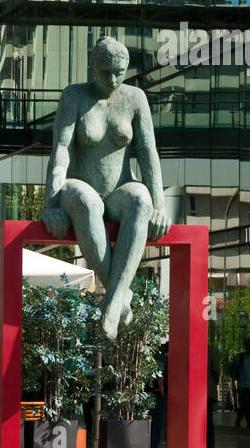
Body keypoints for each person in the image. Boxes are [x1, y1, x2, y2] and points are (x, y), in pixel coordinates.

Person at [41, 36, 171, 340]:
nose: (112, 80)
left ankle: (111, 304)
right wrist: (51, 204)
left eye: (119, 72)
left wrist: (160, 207)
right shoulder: (74, 97)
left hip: (119, 190)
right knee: (85, 201)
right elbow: (61, 149)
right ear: (92, 67)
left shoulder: (136, 98)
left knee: (142, 199)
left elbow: (149, 154)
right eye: (105, 72)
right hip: (79, 186)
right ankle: (120, 298)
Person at [207, 344, 220, 448]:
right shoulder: (208, 348)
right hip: (207, 393)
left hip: (191, 394)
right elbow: (216, 370)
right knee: (208, 426)